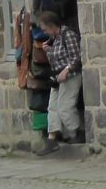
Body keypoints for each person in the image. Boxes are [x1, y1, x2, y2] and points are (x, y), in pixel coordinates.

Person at [35, 10, 83, 153]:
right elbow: (55, 60)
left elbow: (76, 57)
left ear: (51, 25)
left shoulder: (67, 35)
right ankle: (52, 139)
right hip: (57, 78)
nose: (45, 32)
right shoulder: (55, 39)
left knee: (65, 106)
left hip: (70, 76)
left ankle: (77, 133)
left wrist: (66, 70)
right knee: (53, 108)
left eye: (45, 28)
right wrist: (49, 51)